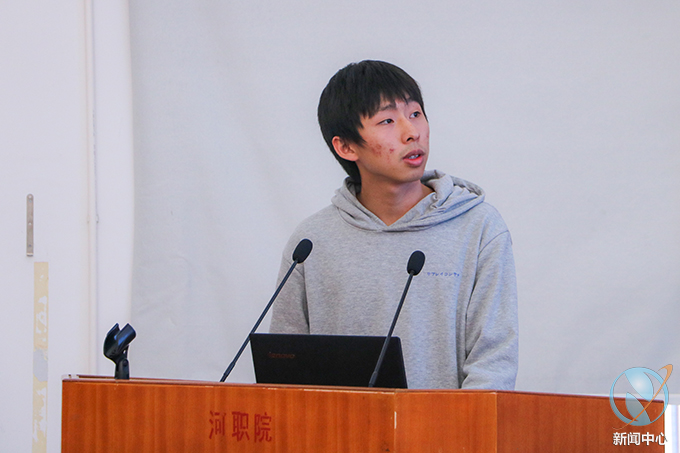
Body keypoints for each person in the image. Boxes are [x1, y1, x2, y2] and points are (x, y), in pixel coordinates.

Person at [269, 60, 518, 390]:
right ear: (346, 146)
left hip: (447, 424)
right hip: (340, 425)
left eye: (415, 114)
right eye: (387, 120)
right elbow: (286, 368)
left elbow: (494, 364)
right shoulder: (311, 242)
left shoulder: (478, 227)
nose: (411, 132)